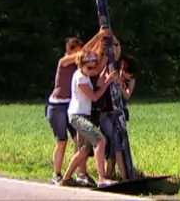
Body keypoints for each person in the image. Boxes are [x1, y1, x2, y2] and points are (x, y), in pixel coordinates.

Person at [45, 29, 109, 186]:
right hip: (58, 106)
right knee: (62, 141)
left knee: (78, 143)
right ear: (71, 50)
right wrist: (99, 36)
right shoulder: (65, 61)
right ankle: (57, 174)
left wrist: (103, 46)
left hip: (71, 108)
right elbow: (86, 53)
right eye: (78, 50)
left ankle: (80, 174)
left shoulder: (81, 69)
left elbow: (92, 59)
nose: (81, 52)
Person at [60, 50, 117, 188]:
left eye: (94, 65)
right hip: (77, 116)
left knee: (84, 151)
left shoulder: (85, 75)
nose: (92, 69)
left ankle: (66, 179)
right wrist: (108, 82)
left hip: (83, 115)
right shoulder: (80, 78)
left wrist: (105, 69)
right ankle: (102, 178)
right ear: (81, 64)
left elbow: (97, 78)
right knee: (100, 140)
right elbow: (94, 97)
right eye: (89, 66)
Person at [99, 53, 138, 180]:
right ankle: (112, 174)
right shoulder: (112, 73)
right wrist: (112, 78)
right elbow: (101, 83)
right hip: (106, 112)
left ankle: (119, 175)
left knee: (119, 143)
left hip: (119, 114)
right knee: (112, 143)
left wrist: (119, 84)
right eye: (127, 72)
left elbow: (127, 95)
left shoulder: (130, 81)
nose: (127, 75)